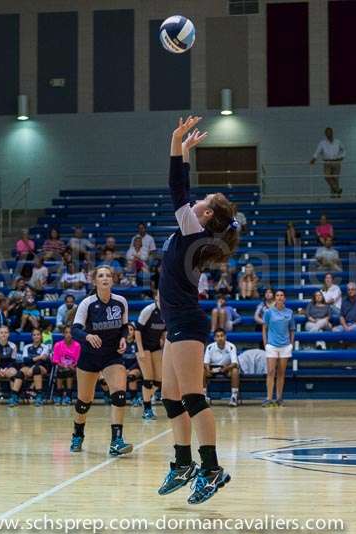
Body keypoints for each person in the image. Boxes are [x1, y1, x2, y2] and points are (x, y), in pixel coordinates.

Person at [156, 117, 239, 504]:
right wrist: (186, 152)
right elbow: (183, 191)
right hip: (175, 320)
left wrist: (177, 142)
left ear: (205, 217)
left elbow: (177, 187)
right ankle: (182, 462)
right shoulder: (194, 231)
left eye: (201, 202)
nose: (195, 201)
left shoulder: (194, 231)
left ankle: (212, 468)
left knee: (192, 396)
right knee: (170, 396)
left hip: (187, 323)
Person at [70, 265, 132, 456]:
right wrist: (87, 336)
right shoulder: (87, 303)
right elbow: (75, 330)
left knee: (119, 394)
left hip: (112, 355)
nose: (105, 278)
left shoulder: (121, 301)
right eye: (101, 275)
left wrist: (123, 337)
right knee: (84, 402)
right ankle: (78, 434)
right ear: (95, 280)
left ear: (112, 280)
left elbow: (124, 326)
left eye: (108, 275)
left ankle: (116, 441)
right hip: (90, 356)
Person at [262, 290, 295, 407]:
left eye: (282, 295)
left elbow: (292, 329)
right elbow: (264, 328)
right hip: (272, 345)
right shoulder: (268, 312)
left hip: (285, 346)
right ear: (275, 298)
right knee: (271, 372)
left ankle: (279, 398)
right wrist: (266, 343)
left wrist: (291, 344)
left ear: (284, 298)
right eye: (277, 295)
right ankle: (269, 398)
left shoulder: (290, 312)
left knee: (281, 373)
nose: (280, 297)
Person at [136, 295, 166, 420]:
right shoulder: (148, 310)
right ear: (156, 298)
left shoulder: (168, 311)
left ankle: (144, 397)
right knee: (148, 379)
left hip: (155, 347)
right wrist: (141, 350)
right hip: (144, 346)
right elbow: (137, 331)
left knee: (159, 380)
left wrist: (163, 339)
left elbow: (165, 330)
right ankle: (147, 409)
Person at [203, 328, 240, 407]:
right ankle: (204, 396)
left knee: (235, 371)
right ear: (214, 338)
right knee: (202, 371)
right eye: (218, 336)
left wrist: (225, 369)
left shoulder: (231, 346)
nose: (220, 338)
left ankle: (234, 397)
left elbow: (234, 363)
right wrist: (208, 370)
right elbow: (206, 362)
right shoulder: (210, 347)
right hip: (213, 369)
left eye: (222, 336)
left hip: (227, 368)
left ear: (225, 337)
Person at [309, 127, 345, 198]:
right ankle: (337, 190)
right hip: (327, 162)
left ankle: (334, 195)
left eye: (329, 132)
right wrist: (314, 159)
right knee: (327, 176)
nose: (328, 134)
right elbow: (317, 151)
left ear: (332, 132)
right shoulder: (322, 143)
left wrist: (342, 157)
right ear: (325, 134)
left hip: (336, 161)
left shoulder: (338, 142)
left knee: (335, 178)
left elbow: (343, 150)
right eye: (327, 132)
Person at [21, 328, 51, 406]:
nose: (36, 336)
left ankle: (39, 396)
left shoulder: (45, 347)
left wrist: (33, 360)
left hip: (42, 368)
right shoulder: (27, 347)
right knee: (20, 372)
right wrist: (38, 357)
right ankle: (14, 396)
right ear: (32, 336)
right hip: (29, 368)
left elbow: (43, 359)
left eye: (38, 334)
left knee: (36, 369)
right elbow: (25, 360)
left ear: (41, 336)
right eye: (34, 335)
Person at [52, 325, 80, 405]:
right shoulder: (58, 345)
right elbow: (55, 360)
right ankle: (59, 395)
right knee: (60, 371)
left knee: (69, 371)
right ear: (63, 334)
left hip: (73, 368)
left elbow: (78, 360)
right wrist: (62, 365)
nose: (68, 335)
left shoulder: (77, 345)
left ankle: (68, 396)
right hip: (61, 367)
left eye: (70, 333)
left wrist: (73, 366)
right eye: (66, 332)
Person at [121, 323, 143, 405]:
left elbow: (139, 361)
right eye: (127, 330)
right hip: (122, 368)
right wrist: (123, 369)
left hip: (135, 368)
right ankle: (111, 397)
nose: (129, 332)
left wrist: (129, 370)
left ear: (134, 332)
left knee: (131, 376)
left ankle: (134, 398)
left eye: (131, 329)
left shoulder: (137, 344)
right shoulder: (120, 343)